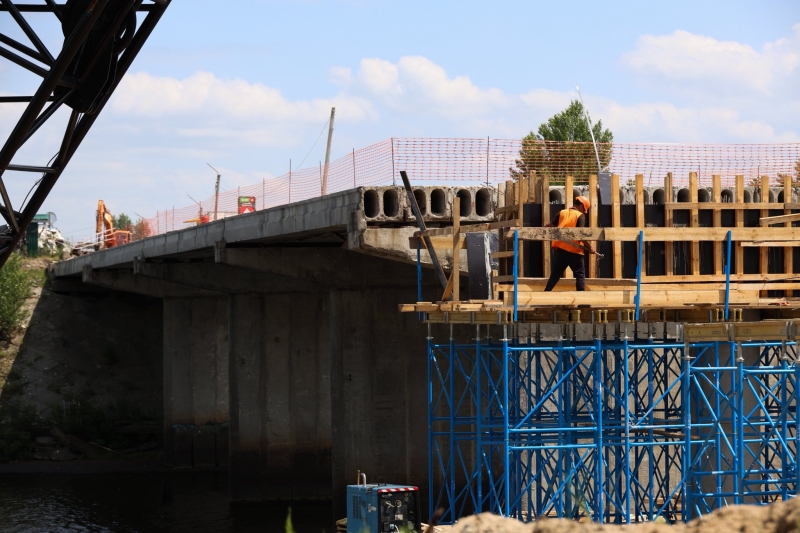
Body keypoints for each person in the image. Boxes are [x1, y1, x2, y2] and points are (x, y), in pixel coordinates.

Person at [544, 195, 597, 291]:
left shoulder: (562, 212)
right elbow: (580, 234)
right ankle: (581, 302)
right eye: (584, 209)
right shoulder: (580, 216)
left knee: (556, 274)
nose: (584, 212)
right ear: (581, 205)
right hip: (574, 251)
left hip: (560, 249)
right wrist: (590, 247)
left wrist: (538, 231)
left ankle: (545, 294)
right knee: (580, 275)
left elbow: (550, 225)